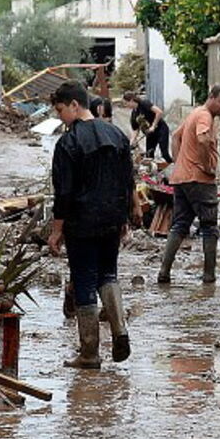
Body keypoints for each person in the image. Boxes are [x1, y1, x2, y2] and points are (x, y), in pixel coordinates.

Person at [48, 79, 136, 369]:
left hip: (81, 222)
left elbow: (64, 192)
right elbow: (128, 181)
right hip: (112, 218)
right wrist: (126, 216)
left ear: (75, 105)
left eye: (60, 110)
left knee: (84, 279)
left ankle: (89, 353)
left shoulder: (68, 143)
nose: (59, 116)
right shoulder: (117, 135)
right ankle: (120, 330)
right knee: (108, 274)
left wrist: (56, 230)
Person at [158, 85, 220, 285]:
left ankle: (164, 272)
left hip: (181, 178)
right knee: (209, 227)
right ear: (211, 97)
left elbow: (176, 136)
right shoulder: (204, 116)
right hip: (199, 180)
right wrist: (206, 165)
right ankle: (209, 276)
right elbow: (202, 140)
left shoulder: (195, 113)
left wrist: (178, 162)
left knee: (180, 225)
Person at [123, 91, 172, 164]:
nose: (126, 105)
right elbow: (135, 129)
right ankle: (151, 172)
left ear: (131, 100)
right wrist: (132, 141)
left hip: (161, 129)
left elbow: (159, 112)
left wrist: (153, 126)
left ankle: (173, 166)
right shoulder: (134, 114)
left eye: (126, 103)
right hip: (150, 134)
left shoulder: (144, 103)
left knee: (164, 153)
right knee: (149, 155)